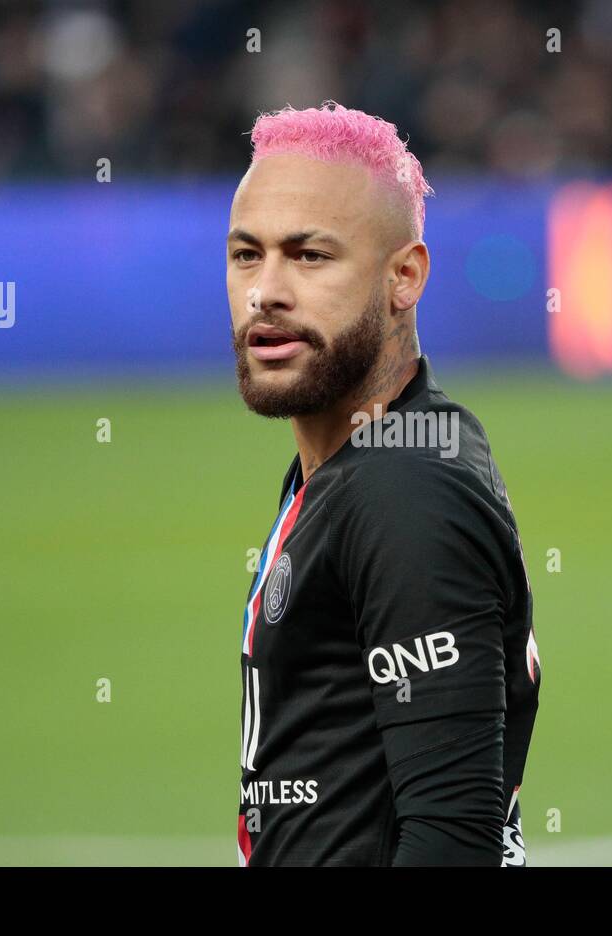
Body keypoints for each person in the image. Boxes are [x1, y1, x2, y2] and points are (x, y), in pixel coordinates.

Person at [227, 101, 541, 866]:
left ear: (404, 277)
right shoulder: (357, 463)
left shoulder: (404, 491)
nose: (266, 291)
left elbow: (452, 841)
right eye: (246, 255)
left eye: (309, 256)